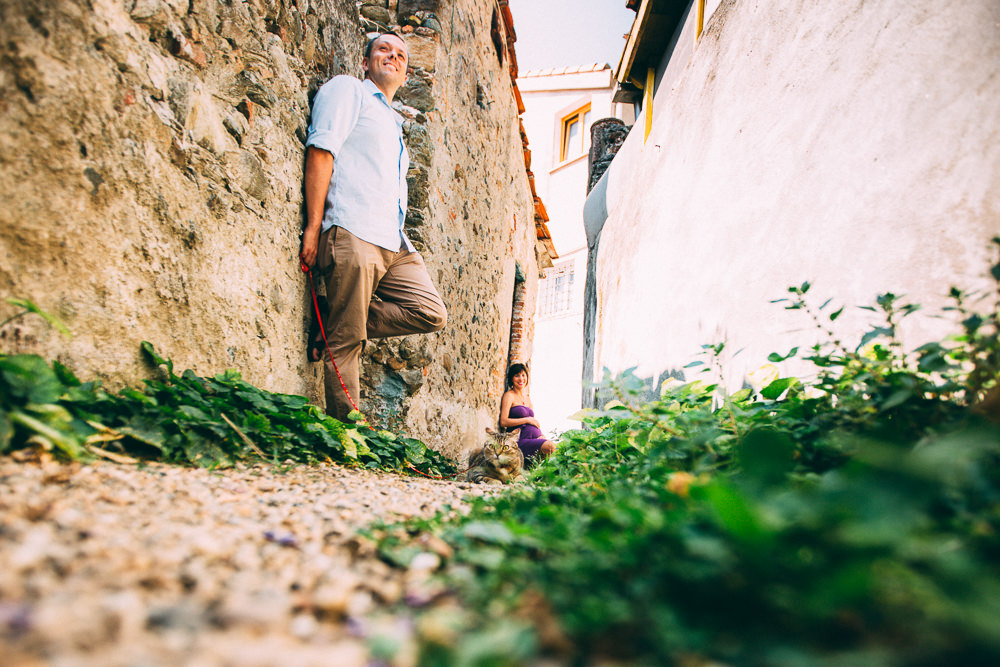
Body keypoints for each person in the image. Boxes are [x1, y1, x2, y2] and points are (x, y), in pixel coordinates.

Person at [299, 32, 447, 420]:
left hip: (393, 242)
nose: (392, 57)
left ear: (406, 71)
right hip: (353, 229)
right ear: (366, 61)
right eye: (383, 49)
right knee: (347, 341)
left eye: (400, 54)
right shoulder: (349, 91)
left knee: (430, 312)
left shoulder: (391, 119)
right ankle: (347, 432)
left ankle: (332, 318)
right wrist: (314, 228)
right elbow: (322, 149)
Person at [499, 363, 556, 462]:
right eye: (517, 376)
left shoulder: (527, 399)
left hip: (533, 438)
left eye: (523, 375)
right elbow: (503, 422)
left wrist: (541, 435)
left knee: (558, 450)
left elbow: (532, 422)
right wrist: (527, 419)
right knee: (551, 447)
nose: (521, 379)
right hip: (520, 439)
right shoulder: (509, 395)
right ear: (511, 378)